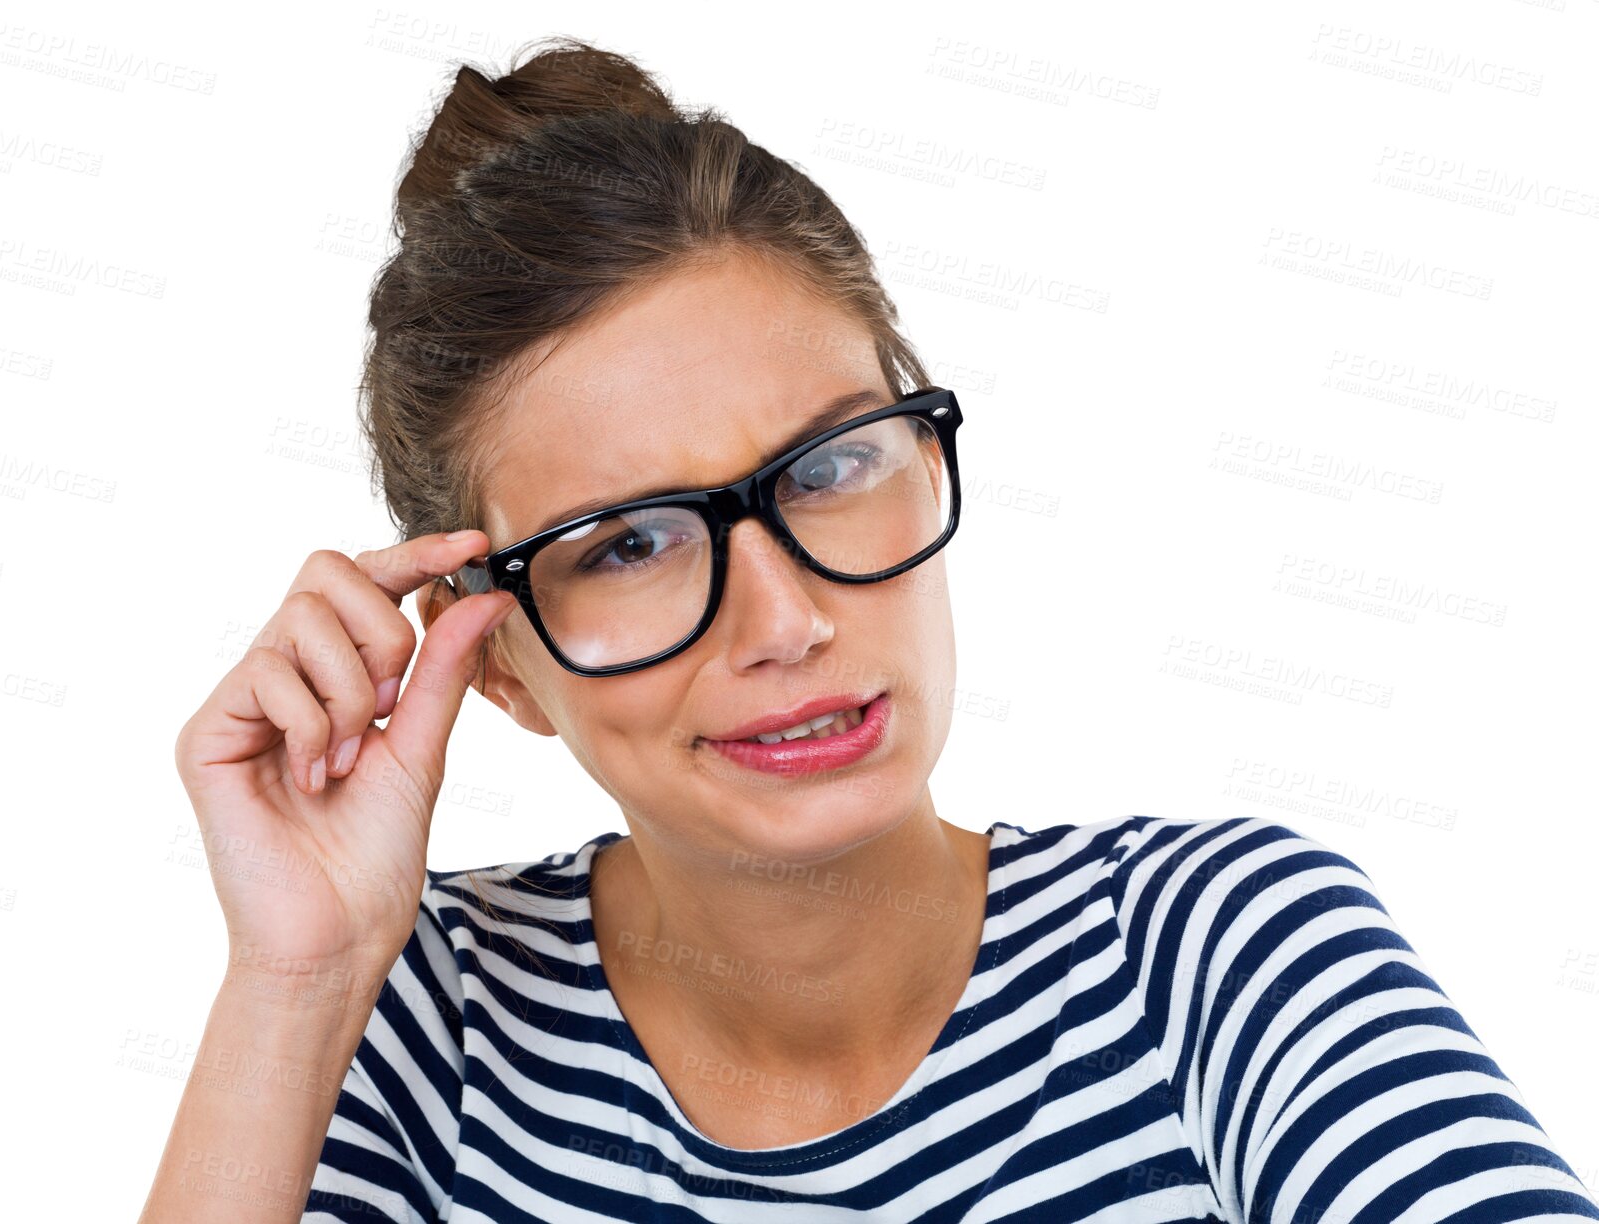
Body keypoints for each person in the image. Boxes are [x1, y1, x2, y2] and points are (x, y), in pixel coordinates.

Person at [138, 35, 1599, 1224]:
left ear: (931, 458)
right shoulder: (414, 1022)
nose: (787, 619)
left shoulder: (1219, 956)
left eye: (832, 467)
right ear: (496, 657)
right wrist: (298, 986)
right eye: (633, 543)